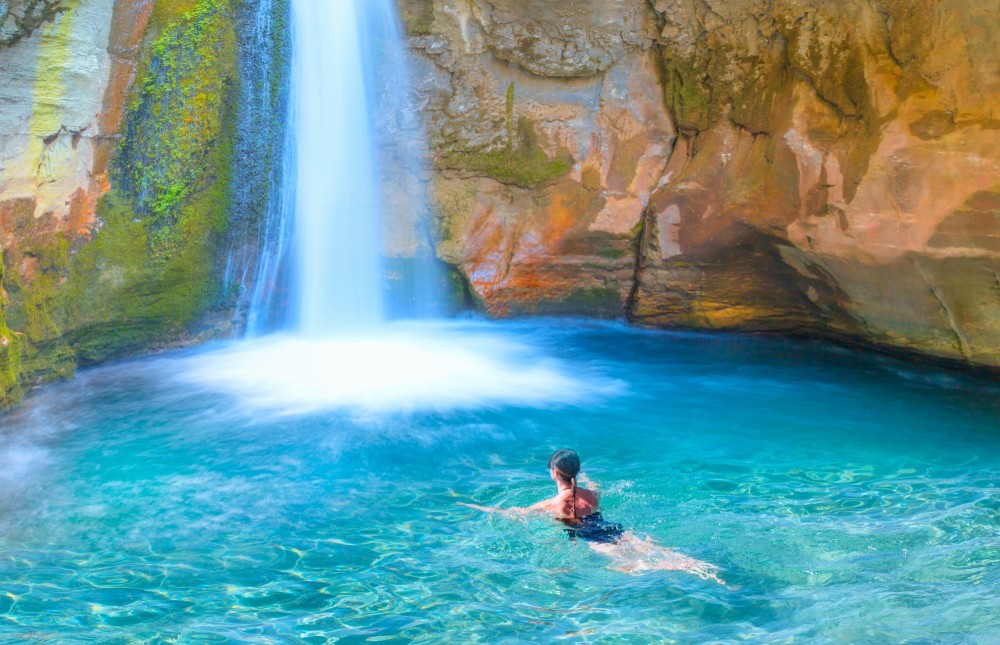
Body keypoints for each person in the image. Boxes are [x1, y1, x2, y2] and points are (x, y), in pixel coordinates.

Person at [460, 449, 725, 584]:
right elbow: (593, 487)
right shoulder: (592, 494)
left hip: (594, 540)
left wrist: (478, 508)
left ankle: (690, 570)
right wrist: (585, 479)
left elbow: (514, 514)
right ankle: (701, 567)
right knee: (654, 551)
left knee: (637, 566)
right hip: (613, 529)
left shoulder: (552, 503)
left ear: (553, 473)